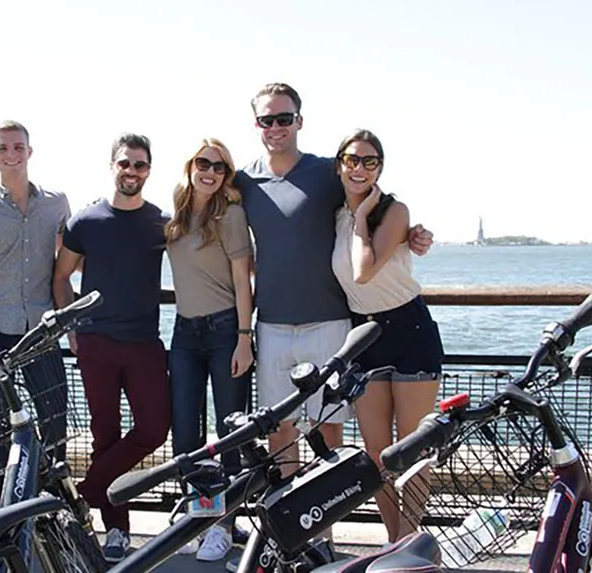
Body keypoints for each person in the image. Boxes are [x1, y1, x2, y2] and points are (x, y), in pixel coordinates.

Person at [229, 83, 433, 570]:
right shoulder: (242, 181)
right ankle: (292, 540)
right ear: (256, 125)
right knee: (281, 435)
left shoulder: (327, 171)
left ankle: (330, 539)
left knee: (329, 439)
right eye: (267, 120)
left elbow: (377, 207)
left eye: (284, 118)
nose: (275, 127)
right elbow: (205, 210)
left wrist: (413, 233)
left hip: (332, 323)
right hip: (272, 323)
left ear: (300, 120)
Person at [52, 133, 171, 563]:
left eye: (140, 165)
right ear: (112, 166)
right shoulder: (86, 222)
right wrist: (72, 330)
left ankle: (89, 489)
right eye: (125, 164)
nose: (132, 172)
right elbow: (61, 277)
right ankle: (116, 529)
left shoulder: (162, 223)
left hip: (144, 342)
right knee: (105, 435)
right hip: (97, 342)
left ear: (149, 171)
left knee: (155, 428)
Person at [330, 129, 444, 542]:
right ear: (339, 164)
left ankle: (409, 546)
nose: (359, 168)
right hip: (364, 335)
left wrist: (362, 217)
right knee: (376, 454)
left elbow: (364, 270)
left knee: (411, 453)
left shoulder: (394, 211)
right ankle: (396, 544)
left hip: (409, 330)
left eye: (369, 161)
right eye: (352, 160)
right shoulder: (335, 214)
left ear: (380, 168)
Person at [0, 120, 72, 505]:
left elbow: (68, 264)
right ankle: (0, 509)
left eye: (18, 147)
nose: (11, 154)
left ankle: (52, 504)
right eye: (2, 148)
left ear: (29, 152)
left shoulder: (57, 204)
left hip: (41, 330)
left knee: (54, 420)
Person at [165, 138, 253, 562]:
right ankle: (200, 516)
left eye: (219, 167)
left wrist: (243, 337)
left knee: (230, 433)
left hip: (223, 332)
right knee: (185, 433)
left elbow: (242, 282)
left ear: (226, 175)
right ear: (191, 166)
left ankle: (224, 523)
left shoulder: (230, 216)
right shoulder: (177, 217)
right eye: (204, 163)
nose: (210, 171)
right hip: (183, 334)